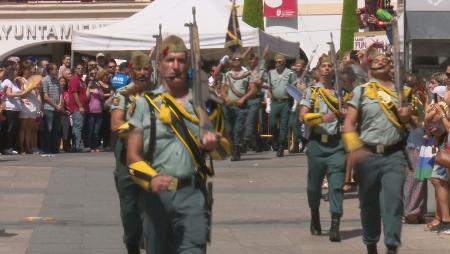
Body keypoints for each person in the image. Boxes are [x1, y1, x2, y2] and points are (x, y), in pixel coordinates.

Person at [126, 35, 219, 254]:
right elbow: (132, 154)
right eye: (169, 60)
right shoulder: (145, 105)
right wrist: (152, 178)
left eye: (180, 60)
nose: (175, 66)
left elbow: (216, 143)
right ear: (159, 65)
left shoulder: (201, 103)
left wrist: (211, 142)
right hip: (157, 197)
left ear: (187, 64)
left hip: (192, 193)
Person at [343, 52, 413, 254]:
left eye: (385, 60)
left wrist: (408, 117)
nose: (380, 61)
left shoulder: (404, 93)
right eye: (375, 61)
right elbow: (349, 123)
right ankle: (371, 244)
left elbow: (419, 123)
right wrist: (354, 147)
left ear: (391, 67)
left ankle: (391, 246)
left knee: (393, 202)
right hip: (368, 154)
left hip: (394, 155)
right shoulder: (362, 92)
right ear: (370, 68)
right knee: (369, 204)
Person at [299, 54, 346, 242]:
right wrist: (320, 118)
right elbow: (302, 116)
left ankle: (335, 223)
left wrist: (345, 114)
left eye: (329, 66)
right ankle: (315, 215)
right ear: (318, 71)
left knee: (336, 186)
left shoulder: (340, 94)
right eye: (323, 66)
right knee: (313, 186)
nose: (326, 69)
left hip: (336, 144)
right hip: (317, 143)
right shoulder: (311, 92)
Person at [110, 51, 152, 254]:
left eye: (146, 68)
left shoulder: (160, 94)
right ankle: (132, 243)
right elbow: (116, 124)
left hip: (154, 157)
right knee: (130, 209)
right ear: (130, 71)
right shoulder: (123, 93)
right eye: (138, 69)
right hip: (127, 157)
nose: (142, 72)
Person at [221, 52, 256, 161]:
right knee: (229, 129)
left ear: (242, 61)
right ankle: (234, 147)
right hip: (228, 106)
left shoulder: (247, 74)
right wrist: (225, 97)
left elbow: (253, 89)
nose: (236, 61)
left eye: (239, 59)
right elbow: (223, 88)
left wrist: (243, 98)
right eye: (234, 59)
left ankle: (236, 150)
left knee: (237, 129)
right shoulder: (227, 74)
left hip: (240, 106)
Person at [268, 53, 296, 157]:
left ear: (284, 62)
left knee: (284, 125)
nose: (277, 64)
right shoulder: (271, 73)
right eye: (276, 62)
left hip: (285, 102)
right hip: (275, 102)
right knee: (272, 124)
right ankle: (277, 138)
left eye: (279, 62)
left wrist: (294, 103)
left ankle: (280, 147)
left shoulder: (290, 73)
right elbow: (269, 88)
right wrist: (269, 101)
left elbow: (294, 87)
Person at [242, 49, 269, 153]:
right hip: (246, 99)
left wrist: (260, 83)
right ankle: (261, 144)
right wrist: (248, 50)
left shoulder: (261, 71)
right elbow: (240, 60)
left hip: (256, 98)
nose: (251, 61)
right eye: (250, 59)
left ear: (257, 61)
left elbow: (268, 85)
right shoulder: (246, 70)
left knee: (249, 122)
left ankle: (245, 142)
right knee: (252, 125)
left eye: (253, 59)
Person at [17, 61, 42, 154]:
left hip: (33, 106)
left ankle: (28, 147)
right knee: (23, 128)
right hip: (25, 106)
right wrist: (31, 87)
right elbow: (22, 95)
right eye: (28, 69)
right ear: (23, 70)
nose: (30, 71)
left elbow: (36, 95)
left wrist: (39, 106)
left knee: (29, 129)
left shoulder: (31, 80)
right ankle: (21, 147)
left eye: (30, 69)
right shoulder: (21, 80)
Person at [42, 63, 63, 154]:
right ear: (50, 70)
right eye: (55, 69)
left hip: (57, 108)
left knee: (56, 129)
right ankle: (47, 148)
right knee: (49, 129)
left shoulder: (57, 80)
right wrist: (55, 105)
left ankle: (55, 148)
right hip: (49, 108)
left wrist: (60, 103)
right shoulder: (45, 80)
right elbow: (45, 97)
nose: (57, 70)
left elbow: (61, 93)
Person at [67, 64, 88, 152]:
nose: (80, 70)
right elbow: (75, 93)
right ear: (75, 69)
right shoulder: (74, 79)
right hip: (77, 108)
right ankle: (77, 146)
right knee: (78, 126)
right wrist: (80, 106)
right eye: (78, 68)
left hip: (81, 107)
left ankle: (77, 145)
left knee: (79, 126)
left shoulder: (80, 80)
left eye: (81, 68)